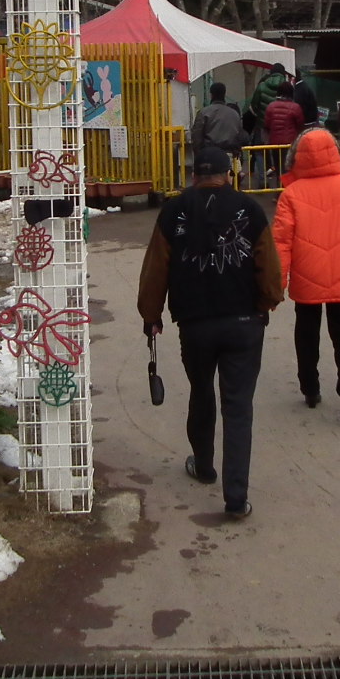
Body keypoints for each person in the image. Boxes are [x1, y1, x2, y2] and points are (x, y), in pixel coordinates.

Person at [138, 142, 285, 517]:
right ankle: (236, 498)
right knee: (238, 408)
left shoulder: (173, 211)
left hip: (195, 324)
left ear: (194, 176)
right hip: (243, 324)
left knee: (201, 392)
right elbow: (269, 269)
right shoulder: (249, 210)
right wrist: (266, 302)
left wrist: (151, 314)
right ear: (229, 174)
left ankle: (203, 465)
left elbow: (156, 268)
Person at [274, 127, 340, 426]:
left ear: (299, 157)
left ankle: (310, 388)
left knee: (306, 335)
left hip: (307, 277)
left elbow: (280, 243)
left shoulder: (291, 194)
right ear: (336, 153)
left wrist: (277, 284)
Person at [189, 80, 246, 162]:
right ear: (224, 94)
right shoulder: (234, 114)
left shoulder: (204, 112)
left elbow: (196, 136)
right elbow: (240, 135)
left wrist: (199, 155)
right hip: (230, 156)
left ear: (211, 95)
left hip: (209, 155)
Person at [260, 81, 305, 151]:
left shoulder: (271, 106)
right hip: (290, 144)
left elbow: (266, 125)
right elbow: (300, 125)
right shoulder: (296, 107)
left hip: (274, 145)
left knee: (277, 161)